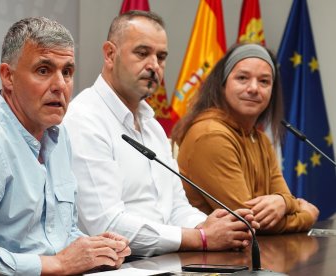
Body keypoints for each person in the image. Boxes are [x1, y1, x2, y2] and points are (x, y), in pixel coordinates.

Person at [0, 17, 130, 275]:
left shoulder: (58, 134)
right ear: (7, 76)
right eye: (44, 70)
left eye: (67, 72)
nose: (60, 86)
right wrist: (60, 264)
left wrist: (93, 249)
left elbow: (55, 235)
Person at [63, 10, 258, 257]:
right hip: (116, 267)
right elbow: (107, 225)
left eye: (161, 57)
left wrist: (215, 226)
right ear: (110, 54)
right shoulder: (84, 119)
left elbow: (175, 208)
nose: (154, 65)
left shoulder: (153, 126)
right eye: (142, 53)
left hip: (164, 261)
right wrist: (200, 237)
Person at [171, 43, 319, 234]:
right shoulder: (211, 135)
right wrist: (306, 215)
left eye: (264, 81)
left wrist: (283, 201)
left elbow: (285, 197)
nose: (254, 88)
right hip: (208, 259)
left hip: (248, 253)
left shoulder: (261, 140)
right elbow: (249, 220)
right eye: (242, 78)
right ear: (222, 84)